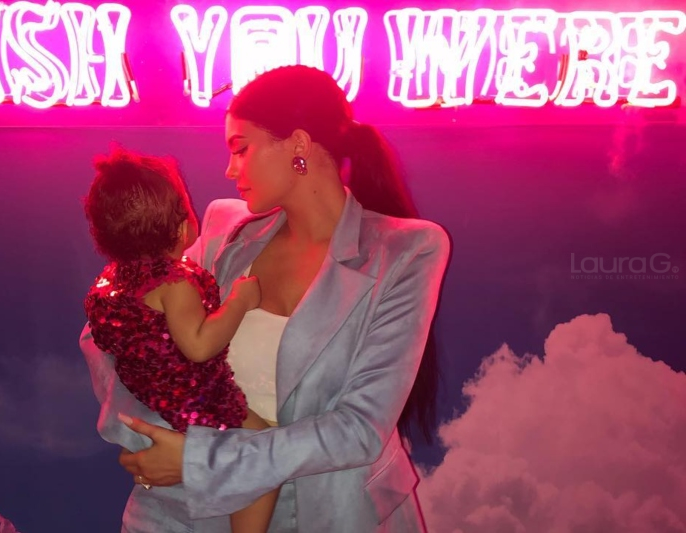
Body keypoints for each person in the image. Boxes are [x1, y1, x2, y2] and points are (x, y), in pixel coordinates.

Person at [80, 65, 451, 532]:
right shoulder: (225, 231)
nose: (229, 169)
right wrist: (155, 432)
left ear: (298, 145)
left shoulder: (406, 250)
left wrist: (203, 459)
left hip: (333, 514)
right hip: (189, 514)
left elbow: (359, 430)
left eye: (241, 148)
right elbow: (116, 333)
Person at [82, 148, 279, 532]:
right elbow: (199, 346)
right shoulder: (175, 283)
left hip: (160, 405)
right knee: (263, 456)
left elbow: (111, 341)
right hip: (201, 401)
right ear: (180, 228)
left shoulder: (110, 283)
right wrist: (239, 302)